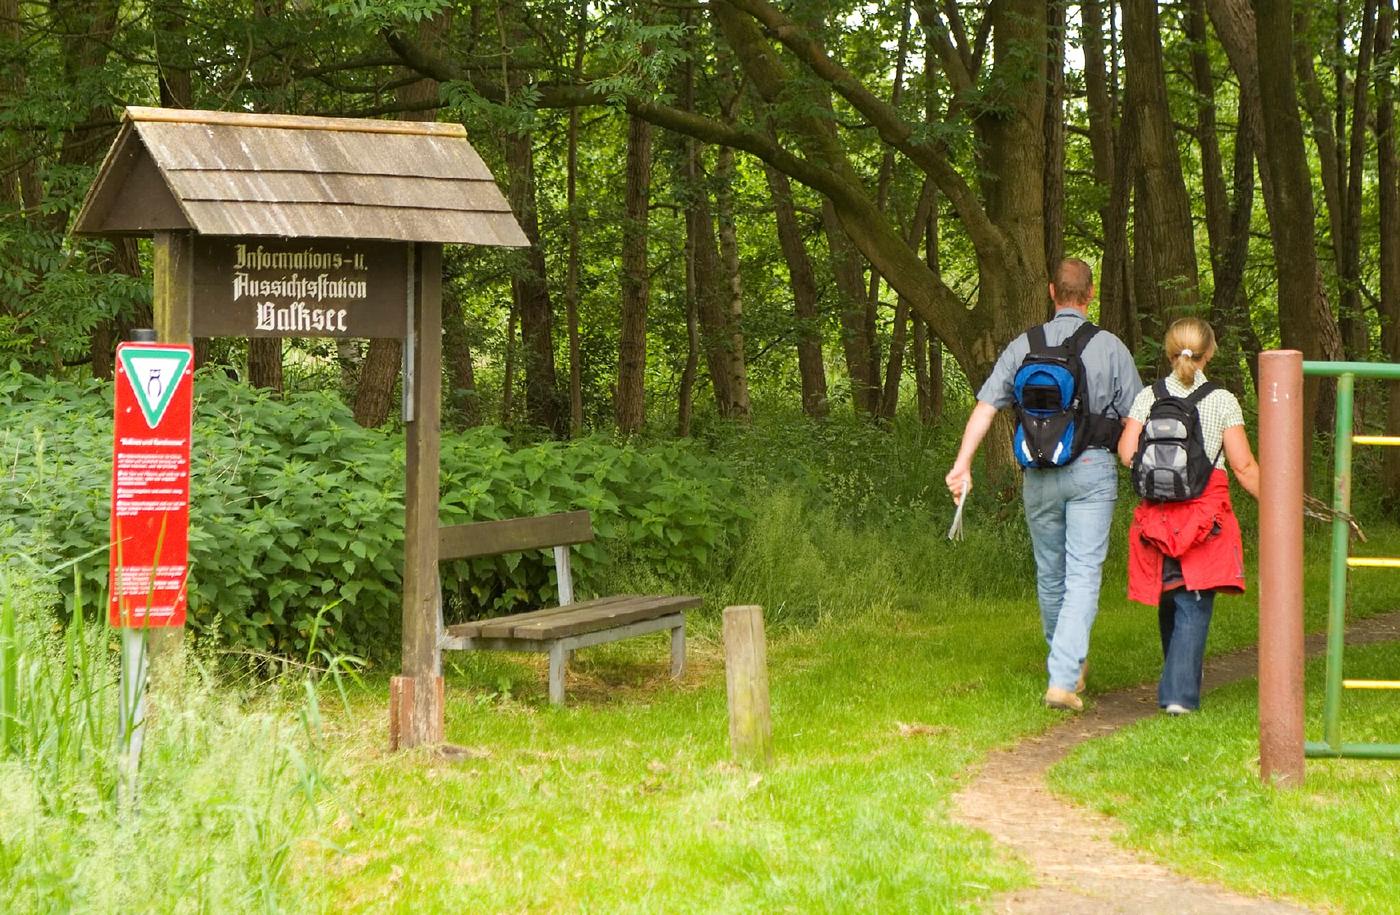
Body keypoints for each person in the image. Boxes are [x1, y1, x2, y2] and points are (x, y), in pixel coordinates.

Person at [945, 258, 1142, 712]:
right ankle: (1063, 675)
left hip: (1037, 473)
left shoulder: (1023, 346)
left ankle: (1066, 665)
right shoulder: (1110, 347)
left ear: (1052, 292)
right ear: (1090, 294)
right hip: (1092, 470)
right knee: (1083, 574)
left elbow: (986, 407)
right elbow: (1136, 414)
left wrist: (963, 464)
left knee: (1050, 573)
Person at [1118, 317, 1259, 715]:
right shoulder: (1222, 400)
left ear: (1168, 351)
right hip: (1204, 512)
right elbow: (1244, 466)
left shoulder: (1147, 397)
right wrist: (1280, 503)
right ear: (1209, 352)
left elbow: (1128, 453)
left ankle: (1179, 679)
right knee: (1193, 600)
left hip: (1158, 511)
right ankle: (1179, 695)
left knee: (1170, 596)